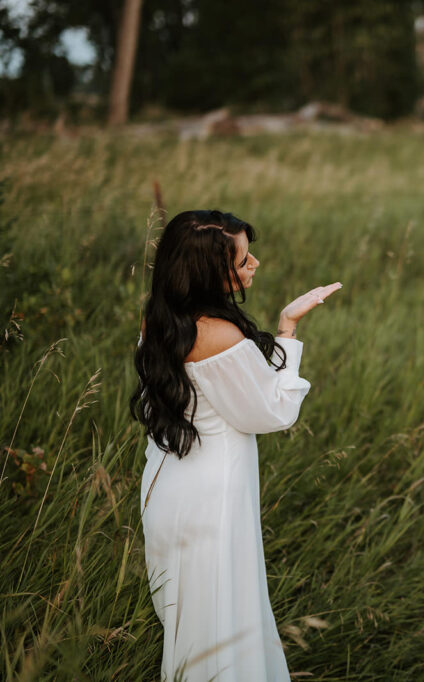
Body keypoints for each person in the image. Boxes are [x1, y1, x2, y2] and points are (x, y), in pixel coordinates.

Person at [130, 210, 341, 681]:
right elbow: (273, 413)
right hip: (213, 497)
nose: (255, 264)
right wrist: (288, 329)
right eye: (244, 259)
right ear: (208, 272)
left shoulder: (158, 319)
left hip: (168, 484)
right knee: (225, 620)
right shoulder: (219, 336)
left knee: (194, 622)